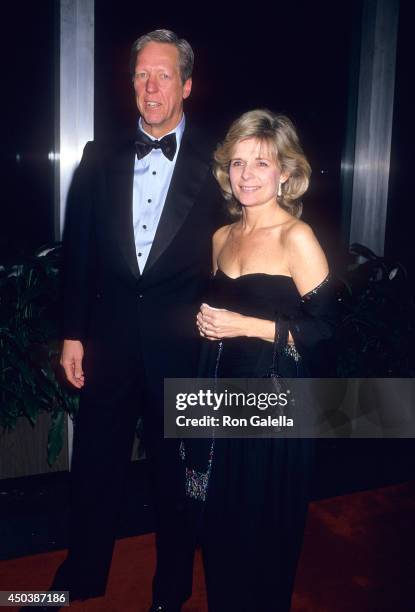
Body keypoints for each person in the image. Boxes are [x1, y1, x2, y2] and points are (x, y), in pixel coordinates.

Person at [39, 29, 223, 612]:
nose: (150, 85)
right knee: (96, 469)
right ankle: (84, 574)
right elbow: (81, 252)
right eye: (142, 74)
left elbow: (234, 259)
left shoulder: (219, 166)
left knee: (175, 479)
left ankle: (170, 587)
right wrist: (72, 334)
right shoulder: (99, 157)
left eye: (164, 74)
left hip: (182, 351)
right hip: (109, 344)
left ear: (187, 84)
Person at [195, 109, 337, 611]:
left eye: (260, 163)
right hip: (220, 398)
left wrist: (247, 327)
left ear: (285, 173)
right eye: (237, 164)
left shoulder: (295, 237)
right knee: (219, 525)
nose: (246, 175)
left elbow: (328, 333)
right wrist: (208, 326)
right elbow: (221, 317)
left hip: (275, 403)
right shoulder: (220, 238)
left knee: (264, 530)